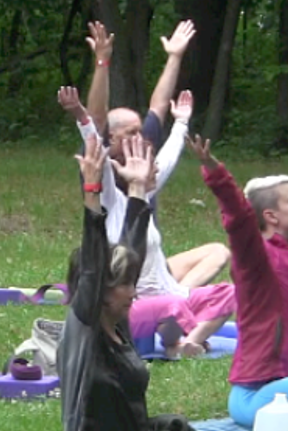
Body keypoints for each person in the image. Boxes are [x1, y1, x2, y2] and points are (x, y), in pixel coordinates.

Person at [58, 133, 235, 431]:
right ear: (101, 293)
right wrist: (91, 193)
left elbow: (131, 252)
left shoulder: (116, 324)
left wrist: (138, 191)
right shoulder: (83, 333)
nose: (134, 291)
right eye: (125, 284)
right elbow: (92, 266)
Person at [188, 130, 288, 428]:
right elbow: (238, 218)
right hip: (255, 396)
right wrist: (214, 170)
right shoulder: (255, 258)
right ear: (271, 216)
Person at [59, 85, 235, 358]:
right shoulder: (110, 200)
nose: (141, 140)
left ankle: (191, 340)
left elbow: (167, 160)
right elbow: (96, 150)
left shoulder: (142, 193)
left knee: (229, 294)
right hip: (135, 303)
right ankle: (174, 345)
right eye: (131, 134)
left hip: (170, 293)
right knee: (171, 308)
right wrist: (82, 116)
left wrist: (181, 122)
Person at [84, 19, 230, 290]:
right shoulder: (103, 166)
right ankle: (176, 305)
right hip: (120, 276)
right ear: (111, 138)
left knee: (219, 253)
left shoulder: (143, 154)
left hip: (152, 267)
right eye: (131, 133)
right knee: (209, 300)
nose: (141, 138)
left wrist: (175, 56)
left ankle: (176, 298)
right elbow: (95, 117)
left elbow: (159, 106)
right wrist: (102, 64)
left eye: (140, 131)